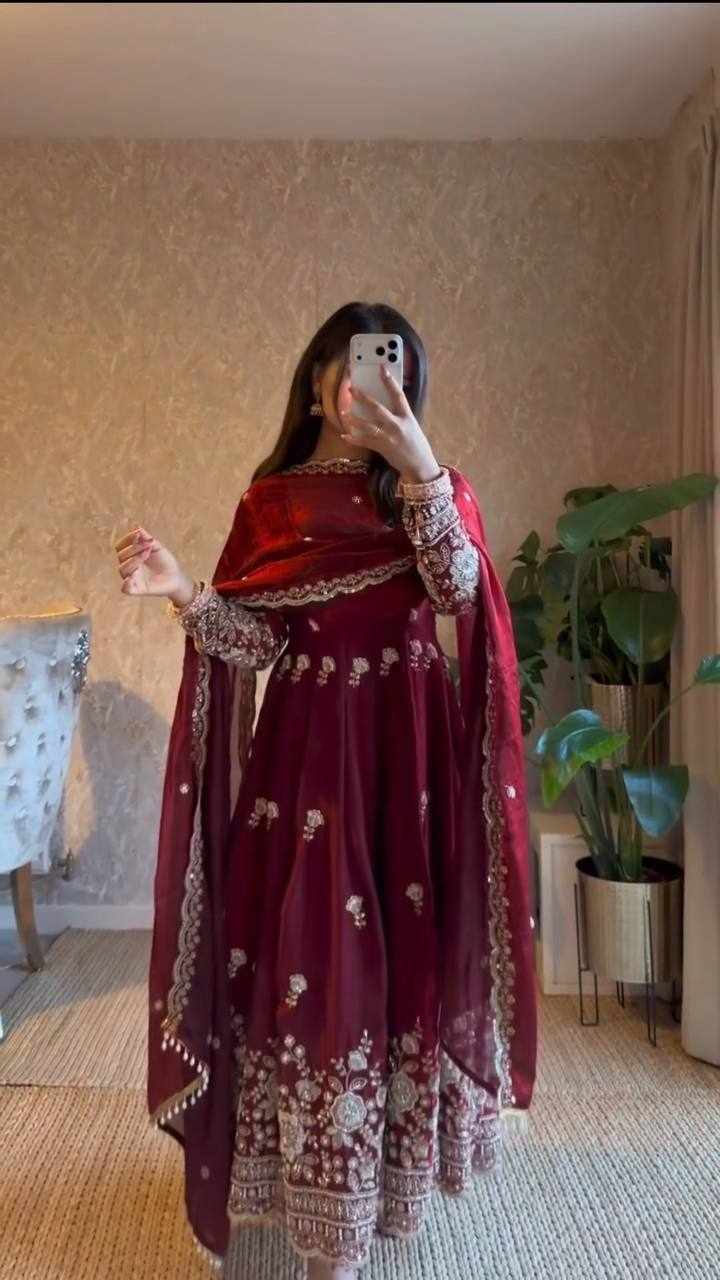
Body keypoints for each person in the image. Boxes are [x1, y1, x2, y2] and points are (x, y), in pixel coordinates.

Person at [114, 301, 537, 1278]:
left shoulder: (433, 490)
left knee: (404, 958)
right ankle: (322, 1216)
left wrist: (418, 463)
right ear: (314, 380)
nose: (371, 383)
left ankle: (379, 1185)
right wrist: (182, 590)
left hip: (407, 765)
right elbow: (255, 642)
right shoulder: (272, 505)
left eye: (393, 371)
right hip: (306, 765)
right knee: (316, 956)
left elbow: (458, 591)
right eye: (352, 365)